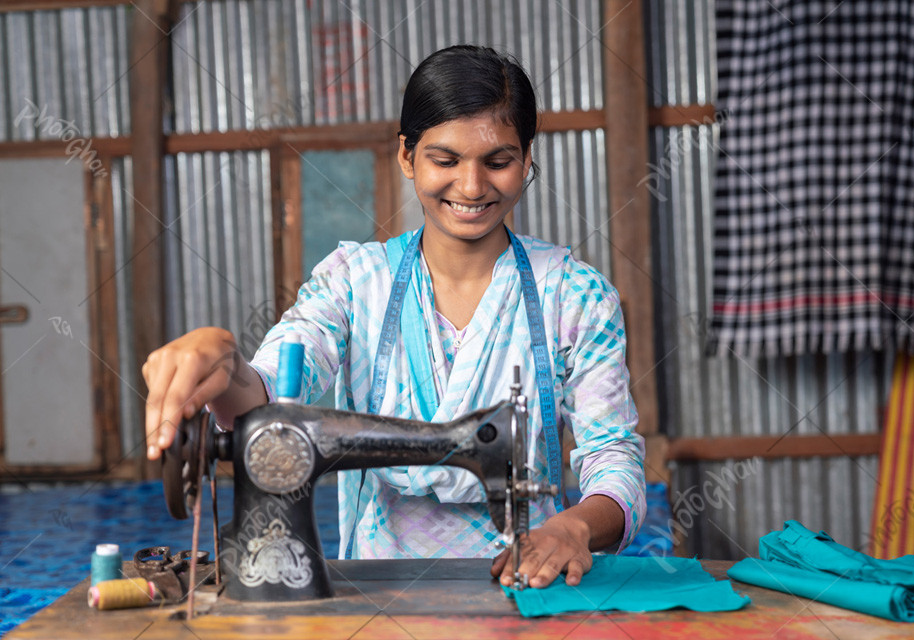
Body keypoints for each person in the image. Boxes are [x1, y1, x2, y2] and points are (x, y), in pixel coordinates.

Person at [143, 45, 646, 589]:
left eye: (497, 161)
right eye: (445, 160)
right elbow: (266, 402)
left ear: (527, 160)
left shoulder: (576, 296)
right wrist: (222, 362)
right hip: (374, 590)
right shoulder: (354, 282)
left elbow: (613, 459)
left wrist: (573, 527)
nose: (473, 187)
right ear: (407, 156)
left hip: (526, 585)